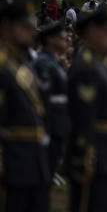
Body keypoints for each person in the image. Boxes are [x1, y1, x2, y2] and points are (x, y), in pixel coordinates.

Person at [67, 5, 107, 212]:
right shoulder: (87, 67)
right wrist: (82, 160)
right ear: (91, 32)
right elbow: (84, 117)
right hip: (95, 158)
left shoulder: (100, 65)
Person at [0, 0, 51, 212]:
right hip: (13, 165)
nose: (31, 32)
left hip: (33, 162)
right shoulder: (3, 69)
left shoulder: (20, 67)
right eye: (25, 27)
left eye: (32, 27)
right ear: (6, 28)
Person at [31, 21, 70, 180]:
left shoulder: (53, 62)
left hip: (57, 127)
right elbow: (44, 101)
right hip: (51, 128)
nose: (67, 40)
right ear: (51, 40)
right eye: (62, 37)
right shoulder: (43, 64)